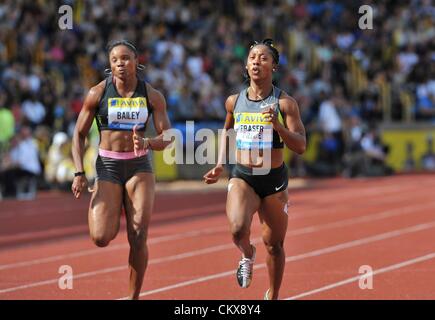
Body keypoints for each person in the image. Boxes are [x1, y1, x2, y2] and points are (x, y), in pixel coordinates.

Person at [203, 39, 306, 300]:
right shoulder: (234, 101)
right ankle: (247, 253)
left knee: (274, 246)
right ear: (246, 66)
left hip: (273, 181)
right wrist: (219, 163)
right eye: (252, 58)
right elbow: (226, 130)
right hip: (243, 176)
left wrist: (278, 126)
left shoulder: (285, 104)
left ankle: (273, 294)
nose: (256, 62)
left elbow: (301, 146)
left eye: (263, 58)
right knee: (238, 229)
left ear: (274, 66)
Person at [71, 40, 171, 300]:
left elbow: (168, 136)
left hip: (140, 167)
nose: (120, 64)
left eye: (125, 58)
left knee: (138, 236)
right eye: (115, 59)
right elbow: (78, 135)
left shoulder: (151, 95)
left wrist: (148, 142)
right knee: (101, 237)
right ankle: (115, 209)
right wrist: (79, 172)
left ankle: (133, 296)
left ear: (137, 61)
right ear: (110, 65)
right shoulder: (97, 93)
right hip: (109, 167)